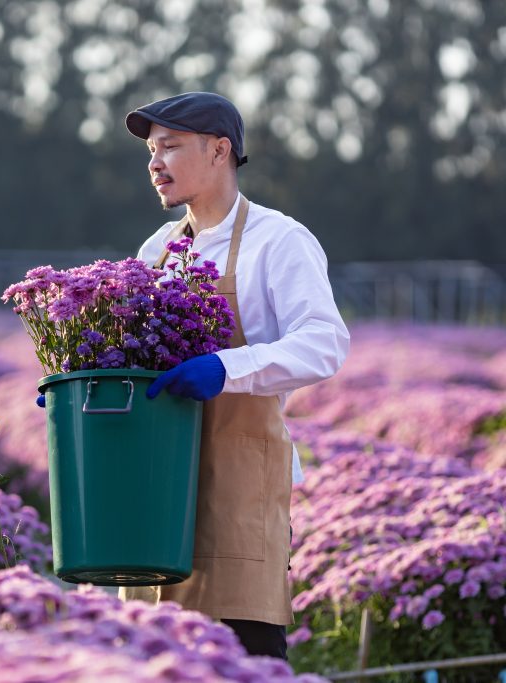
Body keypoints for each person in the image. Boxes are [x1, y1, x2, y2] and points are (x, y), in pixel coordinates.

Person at [117, 92, 350, 659]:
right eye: (151, 150)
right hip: (158, 478)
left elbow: (325, 342)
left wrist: (226, 367)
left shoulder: (278, 240)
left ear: (220, 151)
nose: (154, 163)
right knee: (154, 654)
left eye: (170, 147)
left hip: (241, 485)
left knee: (244, 648)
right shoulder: (157, 252)